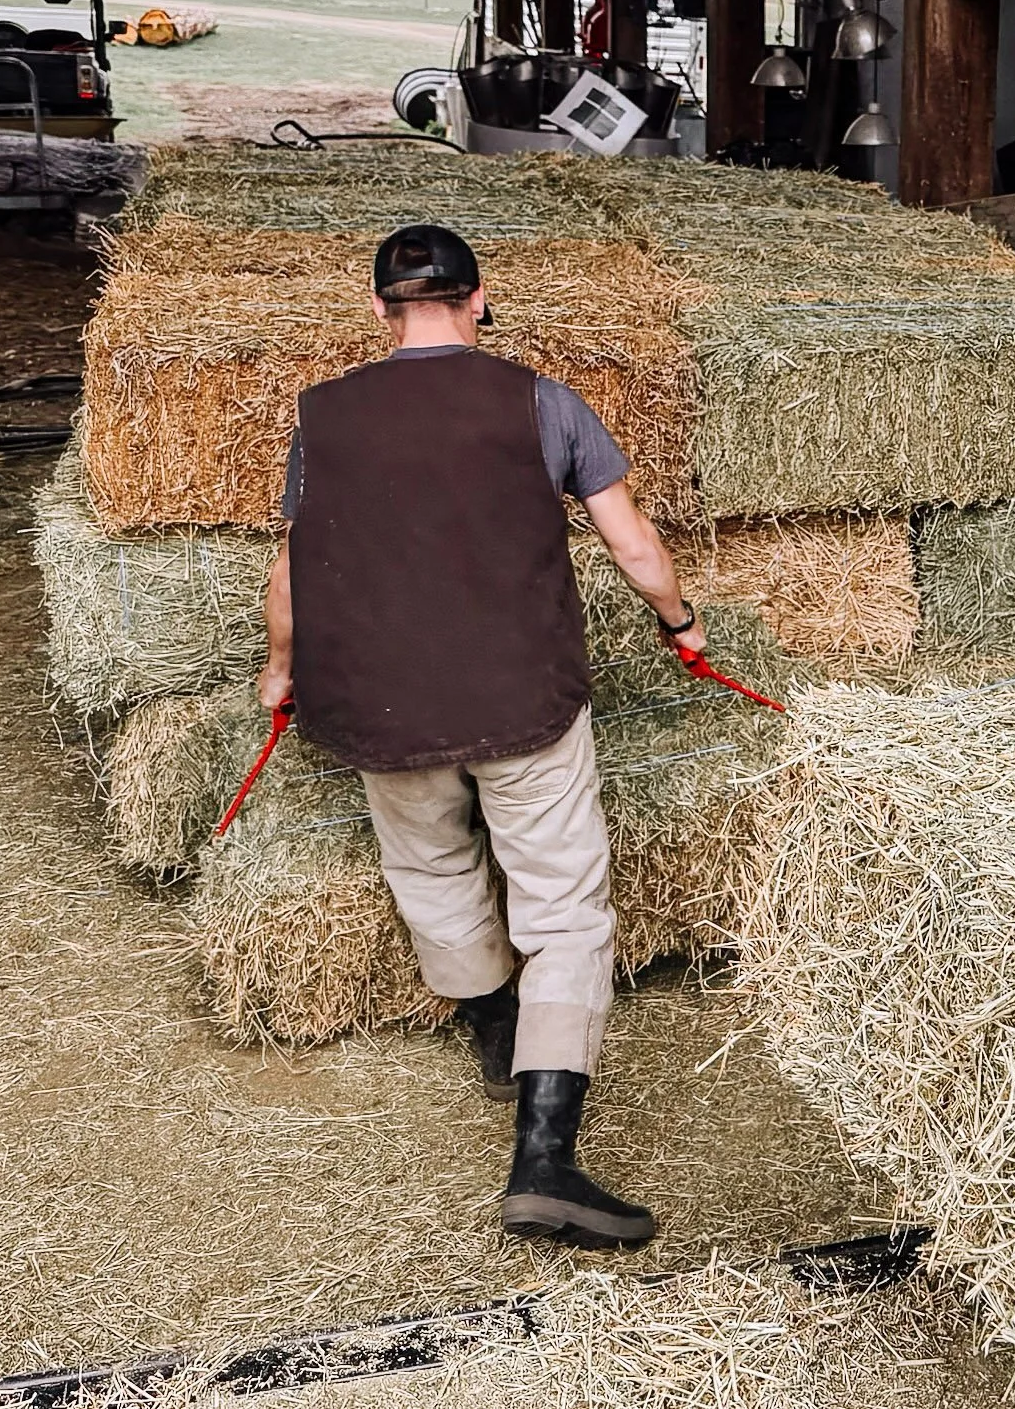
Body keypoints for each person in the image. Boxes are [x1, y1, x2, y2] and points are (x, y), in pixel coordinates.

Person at [259, 223, 707, 1249]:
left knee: (432, 867)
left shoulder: (322, 417)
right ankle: (545, 1156)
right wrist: (680, 625)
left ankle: (495, 1029)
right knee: (561, 904)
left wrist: (282, 672)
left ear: (377, 309)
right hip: (522, 698)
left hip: (379, 701)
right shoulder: (540, 400)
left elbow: (288, 574)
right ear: (478, 298)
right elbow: (634, 546)